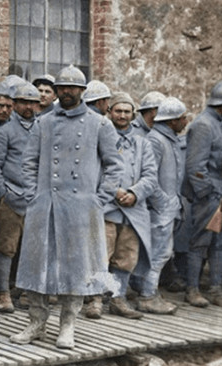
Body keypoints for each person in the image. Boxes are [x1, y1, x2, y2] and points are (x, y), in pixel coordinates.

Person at [10, 65, 122, 349]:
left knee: (76, 269)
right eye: (62, 87)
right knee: (37, 266)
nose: (67, 92)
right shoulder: (43, 123)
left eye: (73, 88)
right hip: (45, 207)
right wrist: (33, 195)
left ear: (82, 91)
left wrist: (99, 199)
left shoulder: (100, 124)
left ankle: (68, 324)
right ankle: (36, 322)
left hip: (81, 209)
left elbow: (114, 166)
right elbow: (28, 162)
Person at [92, 92, 172, 319]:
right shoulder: (100, 139)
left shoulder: (142, 144)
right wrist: (115, 191)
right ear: (110, 112)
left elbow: (150, 176)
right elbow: (94, 171)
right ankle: (95, 299)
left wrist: (135, 193)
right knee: (100, 255)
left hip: (133, 211)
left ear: (133, 115)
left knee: (126, 258)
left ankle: (117, 299)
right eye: (118, 111)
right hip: (107, 209)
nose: (122, 115)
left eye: (127, 112)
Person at [183, 80, 222, 309]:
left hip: (220, 191)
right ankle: (192, 290)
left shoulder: (218, 124)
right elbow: (195, 167)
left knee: (219, 243)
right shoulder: (204, 125)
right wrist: (206, 194)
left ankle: (216, 289)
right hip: (208, 195)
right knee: (200, 242)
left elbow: (216, 159)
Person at [0, 83, 41, 314]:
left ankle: (28, 291)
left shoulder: (44, 129)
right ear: (15, 104)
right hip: (13, 197)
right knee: (6, 246)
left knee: (34, 248)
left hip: (38, 199)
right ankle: (4, 292)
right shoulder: (5, 131)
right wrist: (3, 193)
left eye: (32, 103)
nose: (28, 107)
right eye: (23, 102)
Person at [139, 97, 190, 309]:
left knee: (163, 252)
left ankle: (150, 291)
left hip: (168, 208)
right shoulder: (155, 141)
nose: (186, 121)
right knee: (158, 254)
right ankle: (147, 296)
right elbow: (149, 178)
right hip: (159, 209)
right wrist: (163, 203)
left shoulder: (169, 139)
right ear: (172, 121)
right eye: (182, 118)